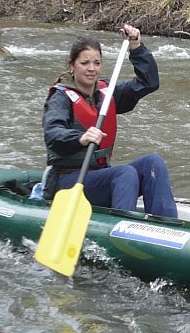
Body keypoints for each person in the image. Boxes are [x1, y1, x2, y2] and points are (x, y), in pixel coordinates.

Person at [41, 24, 177, 217]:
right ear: (72, 66)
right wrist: (80, 138)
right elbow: (53, 134)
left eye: (96, 63)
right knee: (125, 173)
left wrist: (136, 47)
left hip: (98, 176)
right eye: (85, 63)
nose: (91, 69)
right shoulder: (60, 97)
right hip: (68, 181)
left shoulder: (107, 91)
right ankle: (120, 231)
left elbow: (149, 83)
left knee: (153, 163)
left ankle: (166, 226)